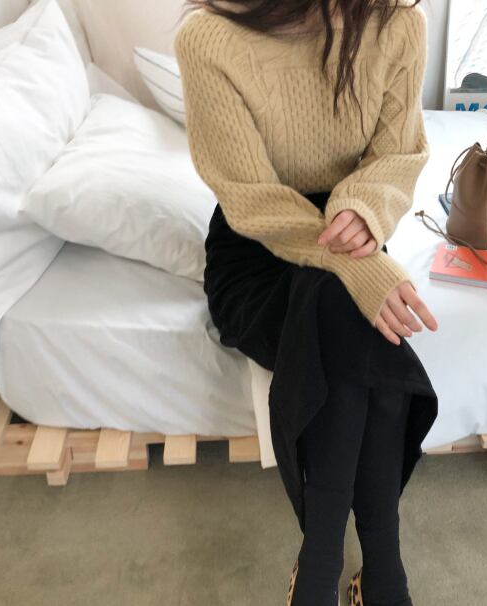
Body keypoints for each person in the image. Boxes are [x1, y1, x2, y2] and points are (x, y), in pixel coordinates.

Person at [174, 1, 439, 604]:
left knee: (343, 310)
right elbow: (250, 198)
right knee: (350, 315)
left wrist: (365, 210)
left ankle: (318, 571)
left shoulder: (399, 24)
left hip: (354, 230)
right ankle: (380, 572)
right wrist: (360, 269)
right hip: (257, 250)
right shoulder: (210, 39)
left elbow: (398, 155)